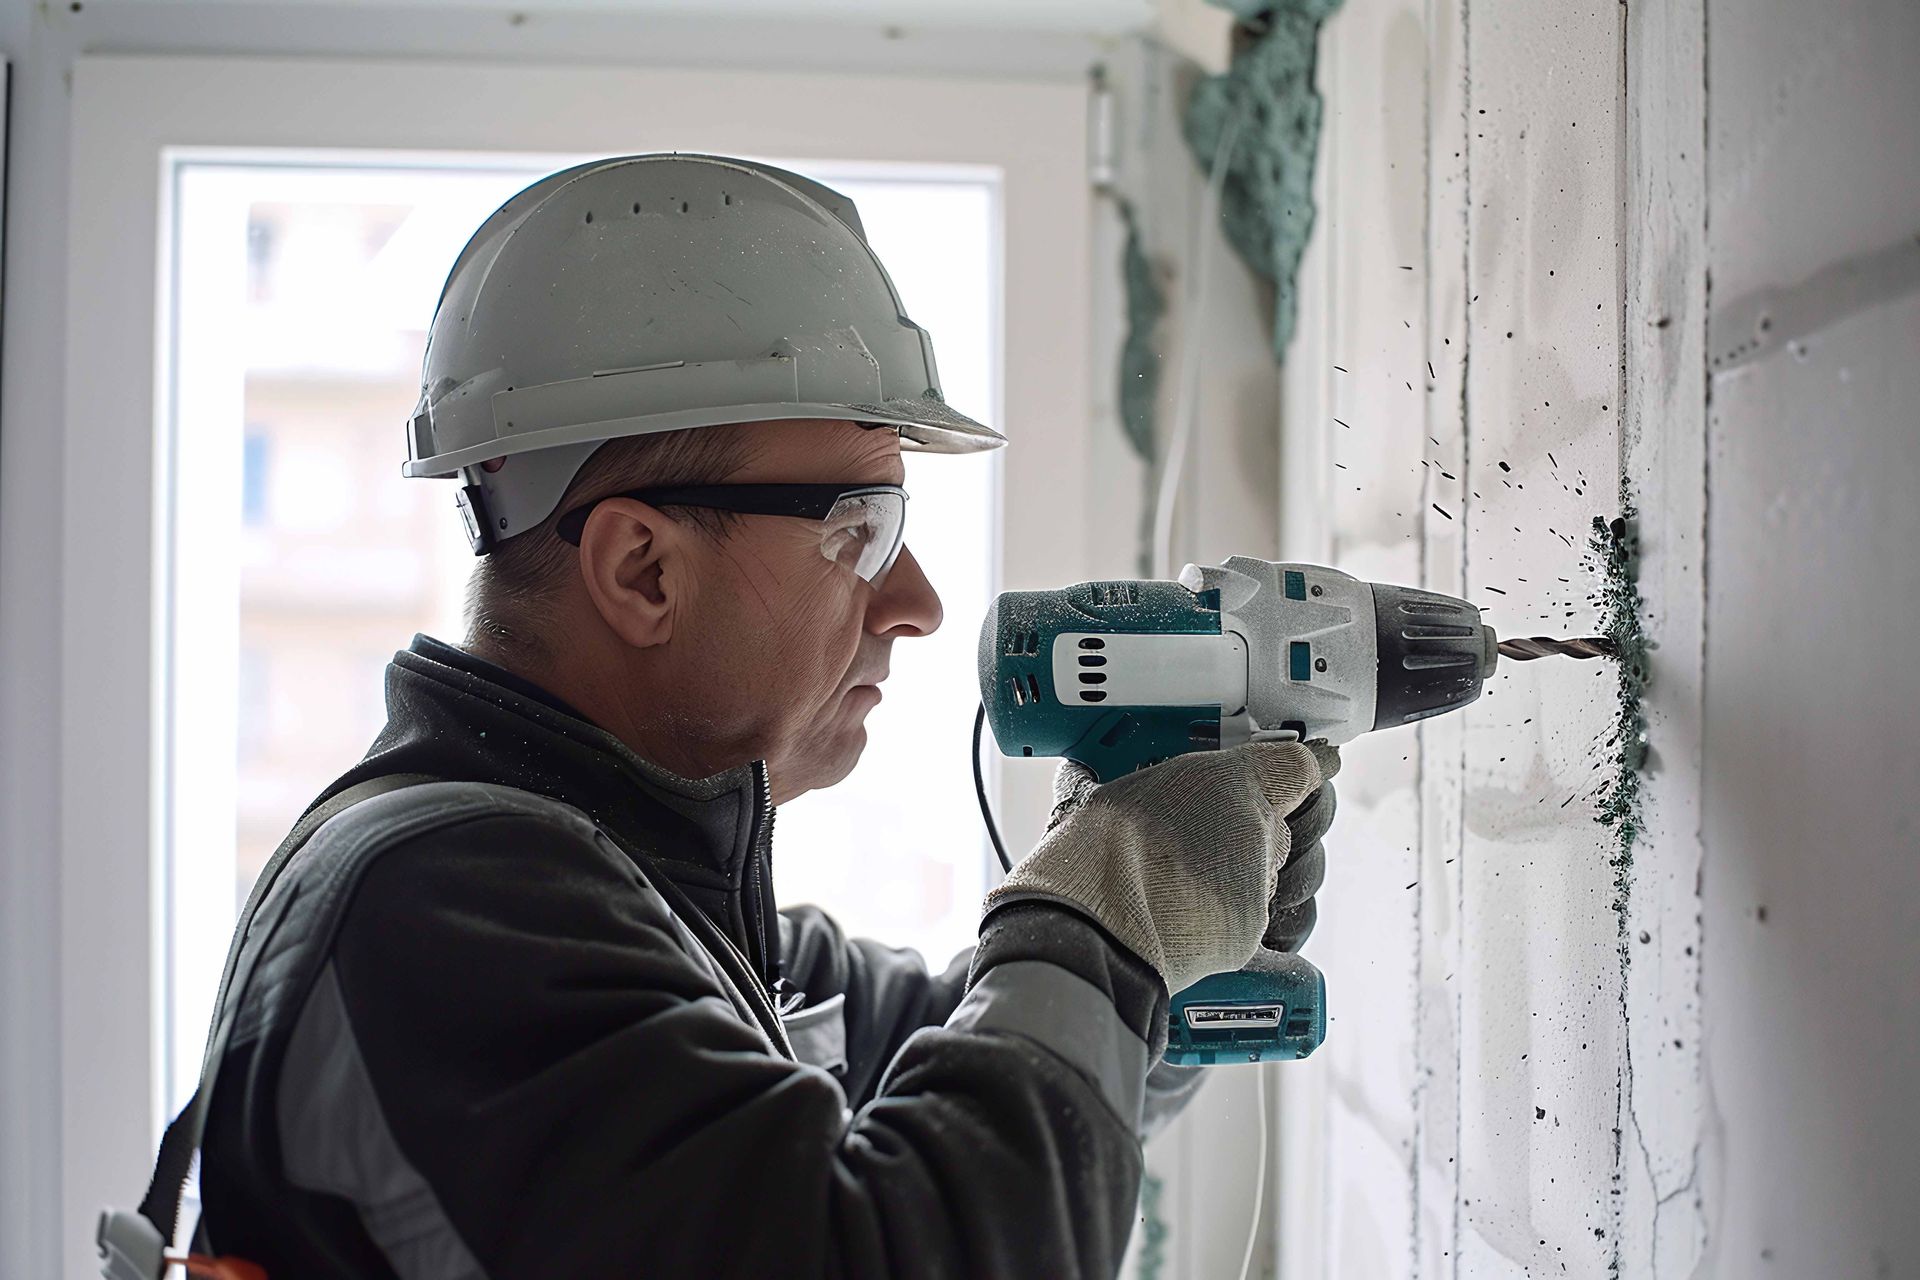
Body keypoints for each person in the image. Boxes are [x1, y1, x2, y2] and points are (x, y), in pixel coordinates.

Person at [152, 154, 1339, 1279]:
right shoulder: (441, 912)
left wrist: (1167, 973)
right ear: (642, 571)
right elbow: (926, 1244)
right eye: (859, 530)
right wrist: (1111, 906)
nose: (920, 602)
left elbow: (978, 1072)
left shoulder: (651, 899)